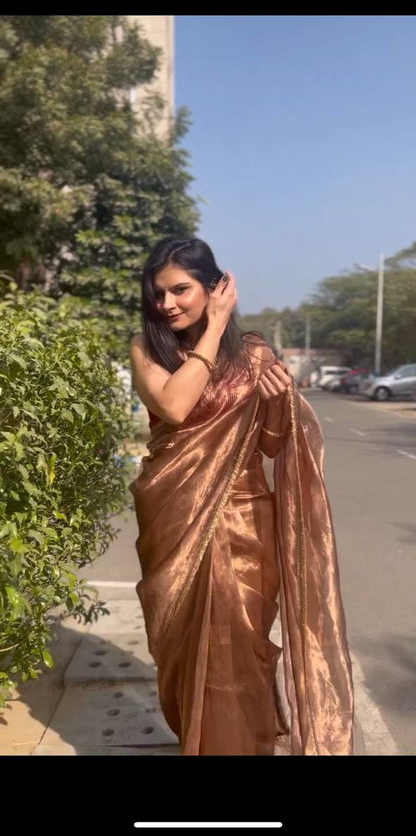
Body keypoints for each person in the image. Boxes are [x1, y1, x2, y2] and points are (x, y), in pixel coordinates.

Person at [129, 236, 354, 756]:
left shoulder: (254, 354)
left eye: (181, 289)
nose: (168, 304)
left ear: (215, 286)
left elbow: (271, 444)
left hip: (247, 524)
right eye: (159, 294)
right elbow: (175, 406)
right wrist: (212, 331)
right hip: (173, 520)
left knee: (241, 654)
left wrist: (278, 406)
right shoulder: (147, 349)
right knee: (183, 651)